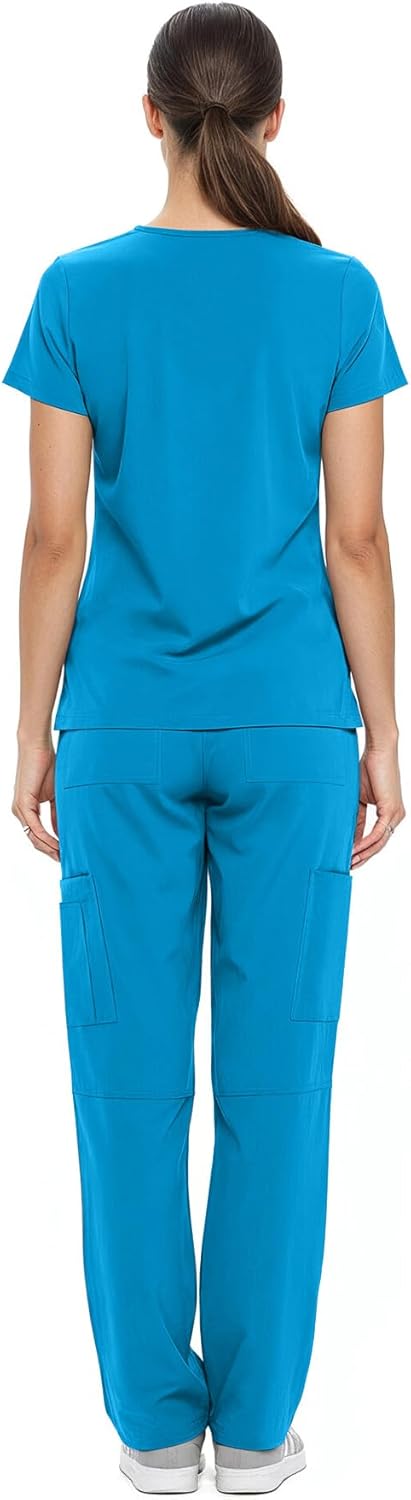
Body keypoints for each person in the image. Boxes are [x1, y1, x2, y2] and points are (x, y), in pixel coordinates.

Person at [3, 3, 407, 1494]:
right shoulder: (337, 292)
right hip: (297, 727)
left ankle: (153, 1430)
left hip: (120, 727)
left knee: (123, 1080)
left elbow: (54, 539)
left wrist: (29, 726)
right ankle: (254, 1433)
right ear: (276, 122)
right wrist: (385, 732)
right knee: (279, 1082)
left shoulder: (77, 289)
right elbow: (358, 539)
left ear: (151, 115)